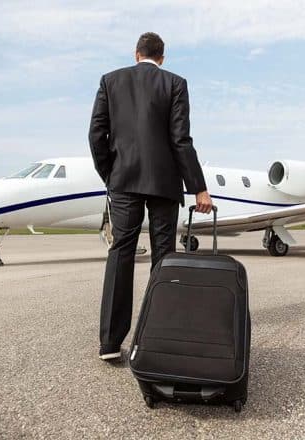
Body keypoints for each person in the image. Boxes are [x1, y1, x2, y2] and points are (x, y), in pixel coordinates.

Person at [88, 32, 213, 361]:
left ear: (136, 53)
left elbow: (96, 134)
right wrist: (198, 186)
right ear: (162, 57)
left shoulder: (110, 81)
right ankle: (160, 336)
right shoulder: (175, 83)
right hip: (164, 184)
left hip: (124, 181)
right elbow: (180, 139)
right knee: (163, 257)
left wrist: (111, 175)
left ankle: (110, 344)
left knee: (121, 253)